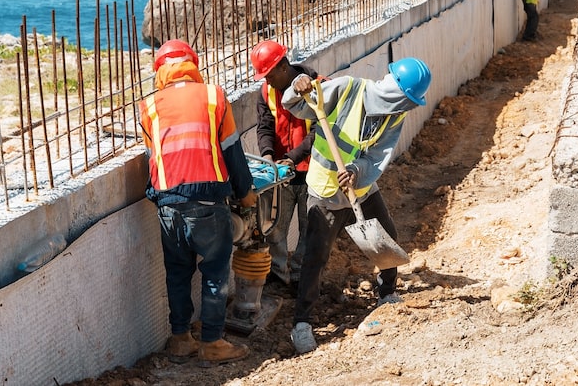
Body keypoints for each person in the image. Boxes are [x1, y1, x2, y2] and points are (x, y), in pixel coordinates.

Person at [280, 57, 432, 354]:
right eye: (406, 100)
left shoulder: (395, 115)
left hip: (360, 187)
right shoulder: (348, 89)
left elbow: (378, 155)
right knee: (316, 257)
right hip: (325, 190)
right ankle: (302, 323)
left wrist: (356, 171)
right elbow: (296, 104)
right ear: (395, 92)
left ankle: (386, 294)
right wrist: (297, 86)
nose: (406, 107)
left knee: (386, 237)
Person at [139, 39, 258, 365]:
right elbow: (231, 150)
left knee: (177, 272)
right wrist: (245, 192)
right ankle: (212, 342)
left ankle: (180, 339)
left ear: (160, 71)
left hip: (167, 203)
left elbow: (154, 158)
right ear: (193, 65)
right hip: (206, 201)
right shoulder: (213, 96)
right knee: (215, 271)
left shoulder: (149, 106)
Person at [251, 40, 320, 292]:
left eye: (269, 75)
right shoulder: (266, 92)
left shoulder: (317, 87)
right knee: (275, 228)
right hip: (282, 174)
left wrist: (294, 156)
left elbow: (320, 132)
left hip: (313, 171)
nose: (267, 81)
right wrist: (267, 156)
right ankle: (278, 277)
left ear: (283, 67)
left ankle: (302, 279)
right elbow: (264, 127)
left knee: (309, 228)